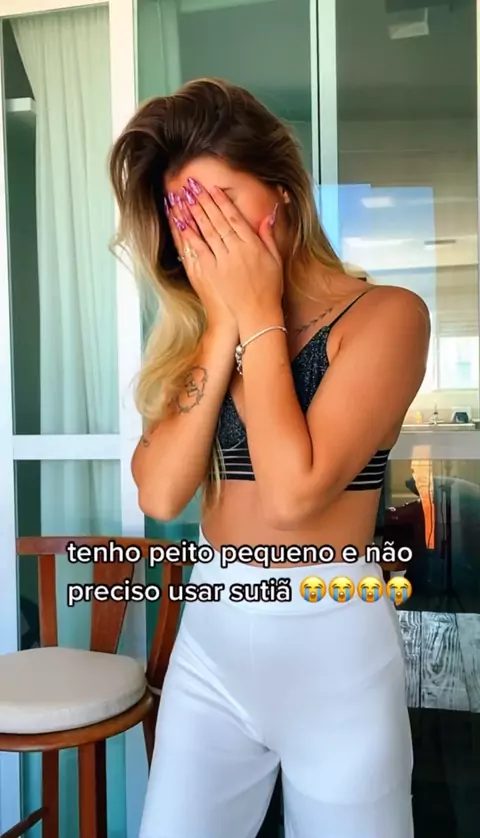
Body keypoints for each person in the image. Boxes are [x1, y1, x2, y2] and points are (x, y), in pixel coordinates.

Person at [109, 77, 430, 838]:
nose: (204, 234)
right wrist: (225, 324)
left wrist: (257, 315)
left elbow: (293, 496)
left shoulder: (387, 317)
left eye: (220, 202)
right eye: (186, 217)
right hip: (212, 640)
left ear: (282, 194)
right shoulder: (198, 336)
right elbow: (160, 494)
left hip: (335, 651)